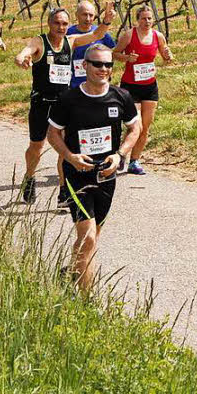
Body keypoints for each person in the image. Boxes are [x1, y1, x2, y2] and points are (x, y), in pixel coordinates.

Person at [46, 43, 141, 289]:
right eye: (97, 64)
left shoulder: (121, 97)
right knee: (88, 238)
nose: (103, 69)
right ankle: (86, 302)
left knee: (91, 238)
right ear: (84, 65)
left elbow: (135, 128)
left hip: (107, 175)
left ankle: (70, 272)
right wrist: (70, 157)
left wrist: (120, 155)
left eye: (108, 64)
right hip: (77, 175)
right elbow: (53, 134)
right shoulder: (69, 99)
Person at [14, 1, 115, 206]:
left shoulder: (71, 41)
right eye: (57, 23)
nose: (61, 28)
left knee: (66, 148)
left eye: (64, 24)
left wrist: (105, 21)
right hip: (42, 102)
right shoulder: (40, 42)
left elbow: (96, 35)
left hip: (64, 103)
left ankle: (64, 191)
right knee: (37, 146)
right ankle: (30, 177)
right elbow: (24, 52)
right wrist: (22, 58)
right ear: (49, 24)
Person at [112, 4, 173, 175]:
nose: (147, 21)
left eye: (149, 18)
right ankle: (122, 154)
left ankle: (134, 161)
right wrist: (127, 58)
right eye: (143, 18)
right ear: (137, 20)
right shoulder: (129, 35)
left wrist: (169, 56)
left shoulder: (158, 36)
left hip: (150, 86)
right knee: (135, 126)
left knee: (146, 126)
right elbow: (114, 53)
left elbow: (165, 55)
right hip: (130, 87)